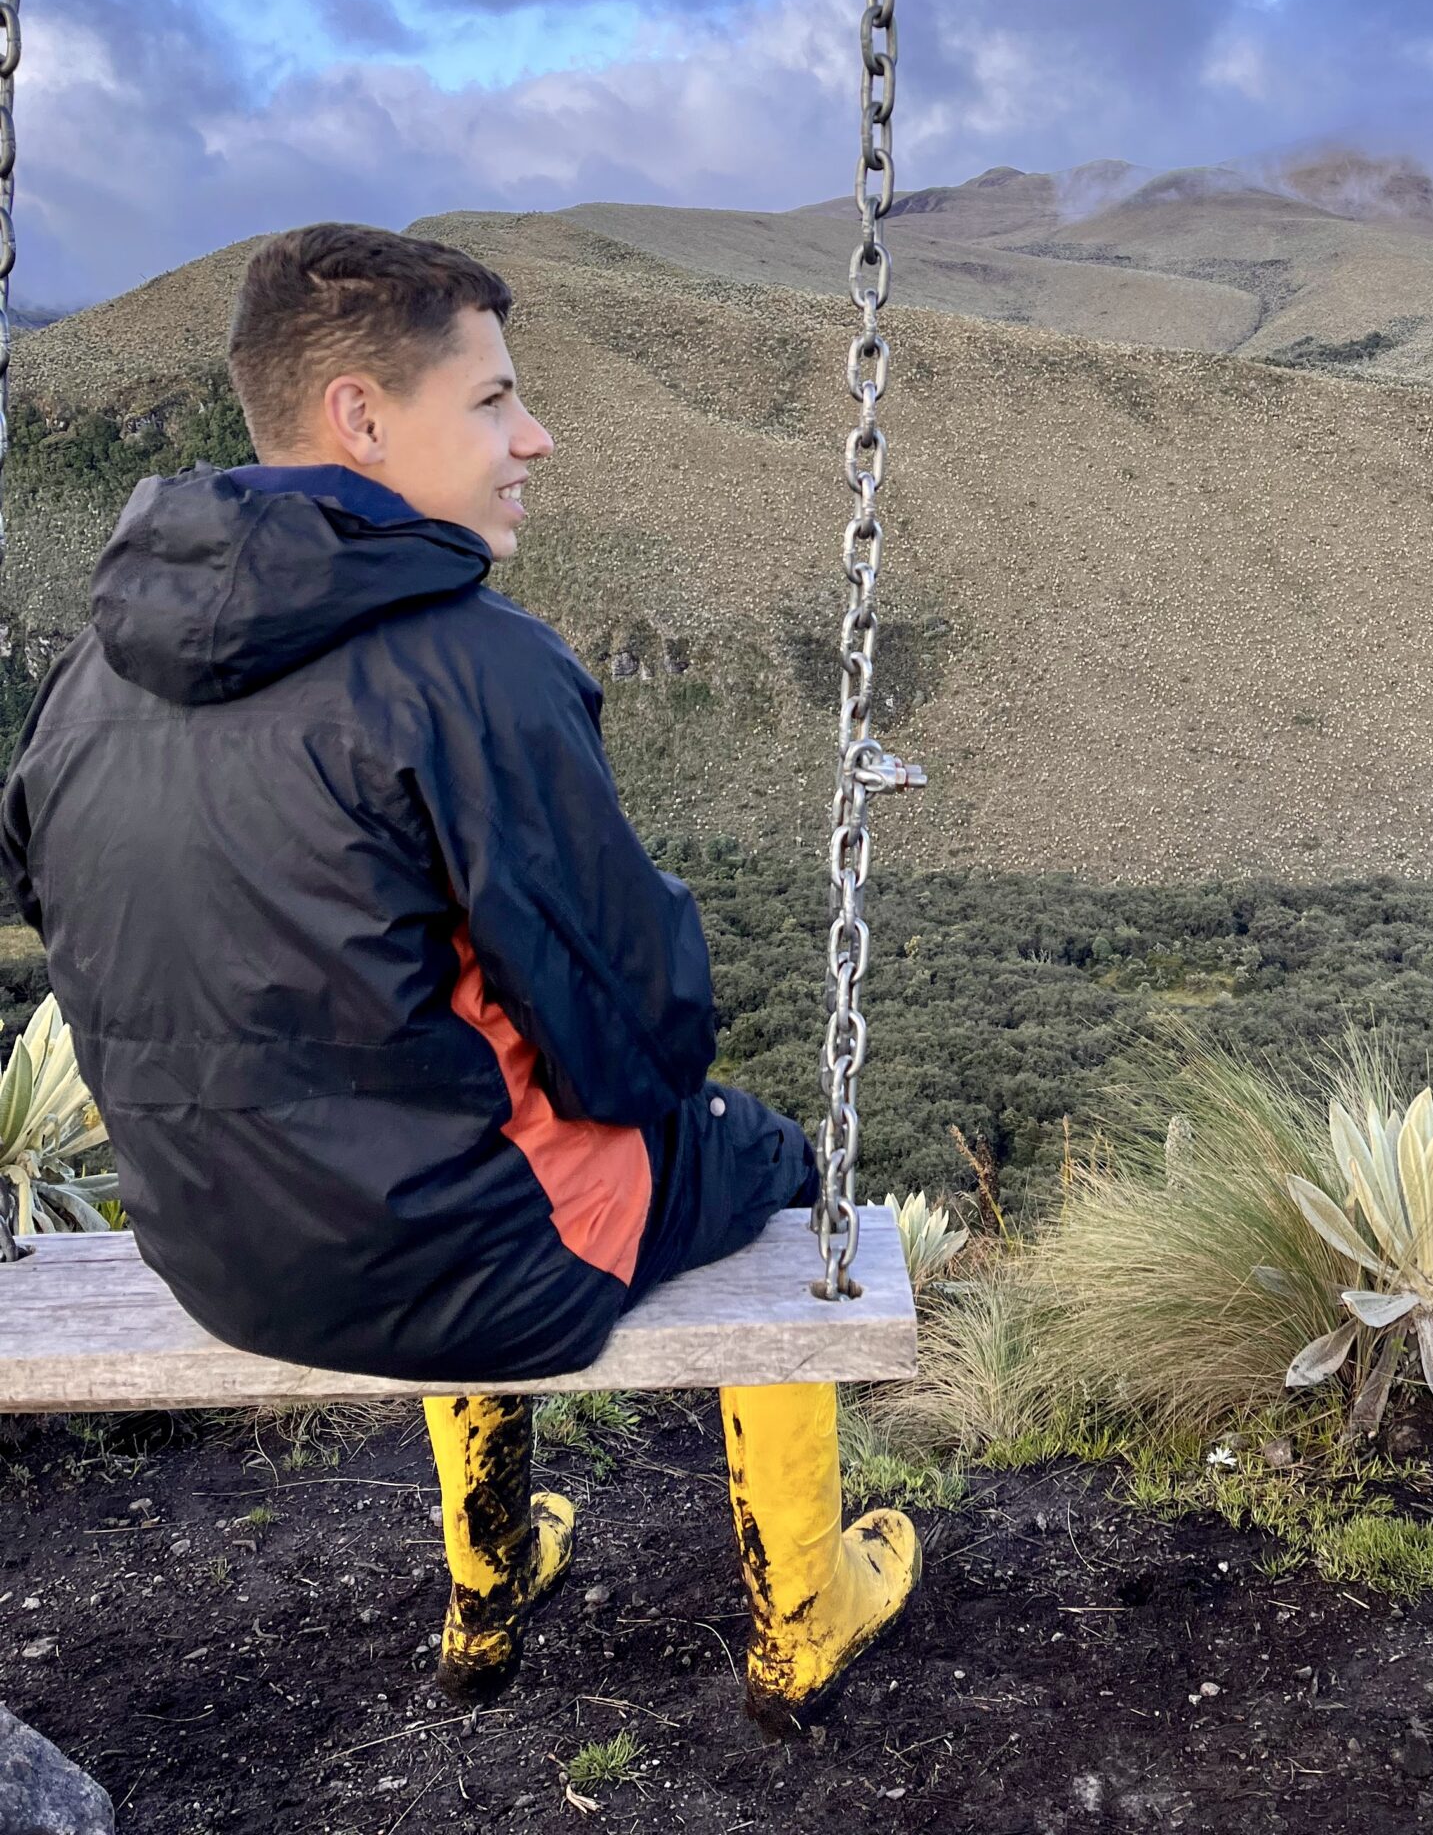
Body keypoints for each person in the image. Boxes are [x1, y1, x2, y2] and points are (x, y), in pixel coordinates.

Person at [0, 223, 918, 1709]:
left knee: (439, 1100)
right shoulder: (476, 669)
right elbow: (640, 1043)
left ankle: (491, 1588)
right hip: (468, 1273)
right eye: (492, 400)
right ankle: (803, 1614)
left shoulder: (85, 676)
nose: (532, 436)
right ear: (361, 418)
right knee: (766, 1160)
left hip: (208, 1251)